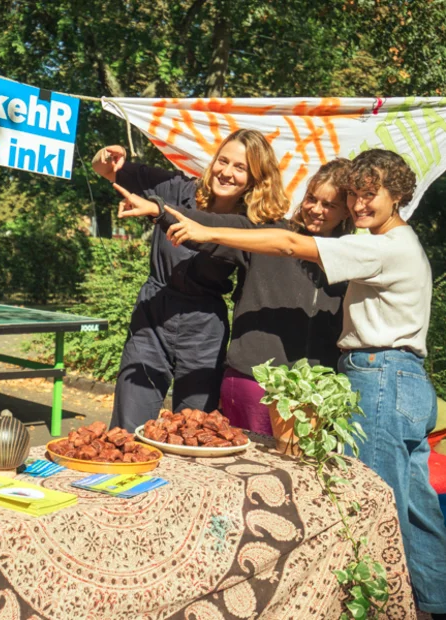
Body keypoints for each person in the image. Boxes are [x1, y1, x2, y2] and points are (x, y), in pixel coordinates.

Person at [163, 149, 446, 618]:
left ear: (397, 195)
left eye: (369, 194)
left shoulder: (384, 246)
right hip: (406, 378)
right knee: (415, 508)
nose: (358, 205)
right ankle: (433, 604)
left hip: (381, 377)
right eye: (354, 195)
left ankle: (378, 607)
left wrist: (207, 229)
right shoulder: (402, 243)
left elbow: (293, 246)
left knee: (371, 506)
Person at [115, 159, 352, 435]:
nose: (315, 210)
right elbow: (214, 225)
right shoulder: (269, 234)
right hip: (250, 384)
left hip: (314, 392)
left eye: (329, 205)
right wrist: (159, 211)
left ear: (346, 211)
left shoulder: (354, 256)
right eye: (311, 199)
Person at [92, 129, 288, 431]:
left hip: (204, 328)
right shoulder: (177, 189)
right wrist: (107, 155)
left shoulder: (251, 226)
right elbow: (106, 169)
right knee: (128, 427)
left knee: (192, 430)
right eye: (223, 161)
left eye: (240, 167)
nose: (226, 172)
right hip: (153, 315)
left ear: (255, 178)